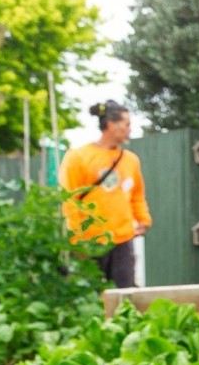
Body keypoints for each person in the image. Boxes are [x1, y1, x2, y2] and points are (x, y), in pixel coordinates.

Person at [61, 100, 152, 289]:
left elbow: (136, 195)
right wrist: (76, 240)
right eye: (127, 124)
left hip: (122, 238)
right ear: (111, 125)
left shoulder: (130, 160)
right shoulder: (79, 157)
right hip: (90, 241)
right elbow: (70, 201)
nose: (130, 130)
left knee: (125, 293)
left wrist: (143, 219)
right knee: (89, 293)